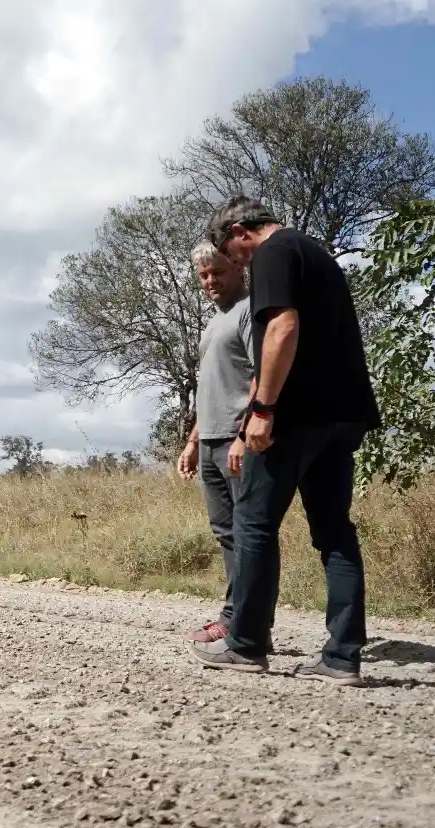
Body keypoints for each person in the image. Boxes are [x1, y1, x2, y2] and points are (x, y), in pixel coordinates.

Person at [190, 195, 381, 687]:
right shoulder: (318, 254)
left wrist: (262, 409)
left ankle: (247, 645)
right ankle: (342, 658)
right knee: (335, 532)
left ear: (238, 231)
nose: (238, 264)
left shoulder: (276, 251)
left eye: (234, 256)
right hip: (345, 414)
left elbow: (282, 327)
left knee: (253, 524)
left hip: (297, 417)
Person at [177, 240, 260, 645]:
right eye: (204, 275)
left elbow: (264, 376)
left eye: (218, 272)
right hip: (209, 439)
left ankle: (243, 624)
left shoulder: (250, 311)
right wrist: (193, 440)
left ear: (238, 268)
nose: (210, 280)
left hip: (236, 440)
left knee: (247, 534)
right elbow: (208, 387)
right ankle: (241, 620)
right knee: (225, 533)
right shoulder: (213, 322)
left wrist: (245, 435)